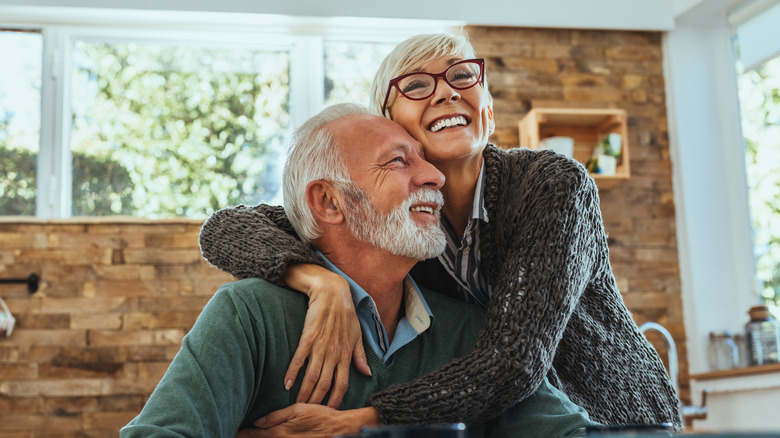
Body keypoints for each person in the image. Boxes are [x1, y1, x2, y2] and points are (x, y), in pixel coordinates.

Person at [198, 33, 682, 429]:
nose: (447, 92)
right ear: (390, 126)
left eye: (462, 75)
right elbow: (227, 227)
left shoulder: (553, 185)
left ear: (488, 111)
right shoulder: (395, 223)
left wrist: (369, 420)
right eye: (415, 85)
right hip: (506, 424)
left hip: (611, 420)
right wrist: (317, 279)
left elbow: (513, 361)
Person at [121, 103, 596, 438]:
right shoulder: (249, 315)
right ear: (329, 201)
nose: (434, 176)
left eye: (425, 160)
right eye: (398, 161)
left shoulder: (468, 329)